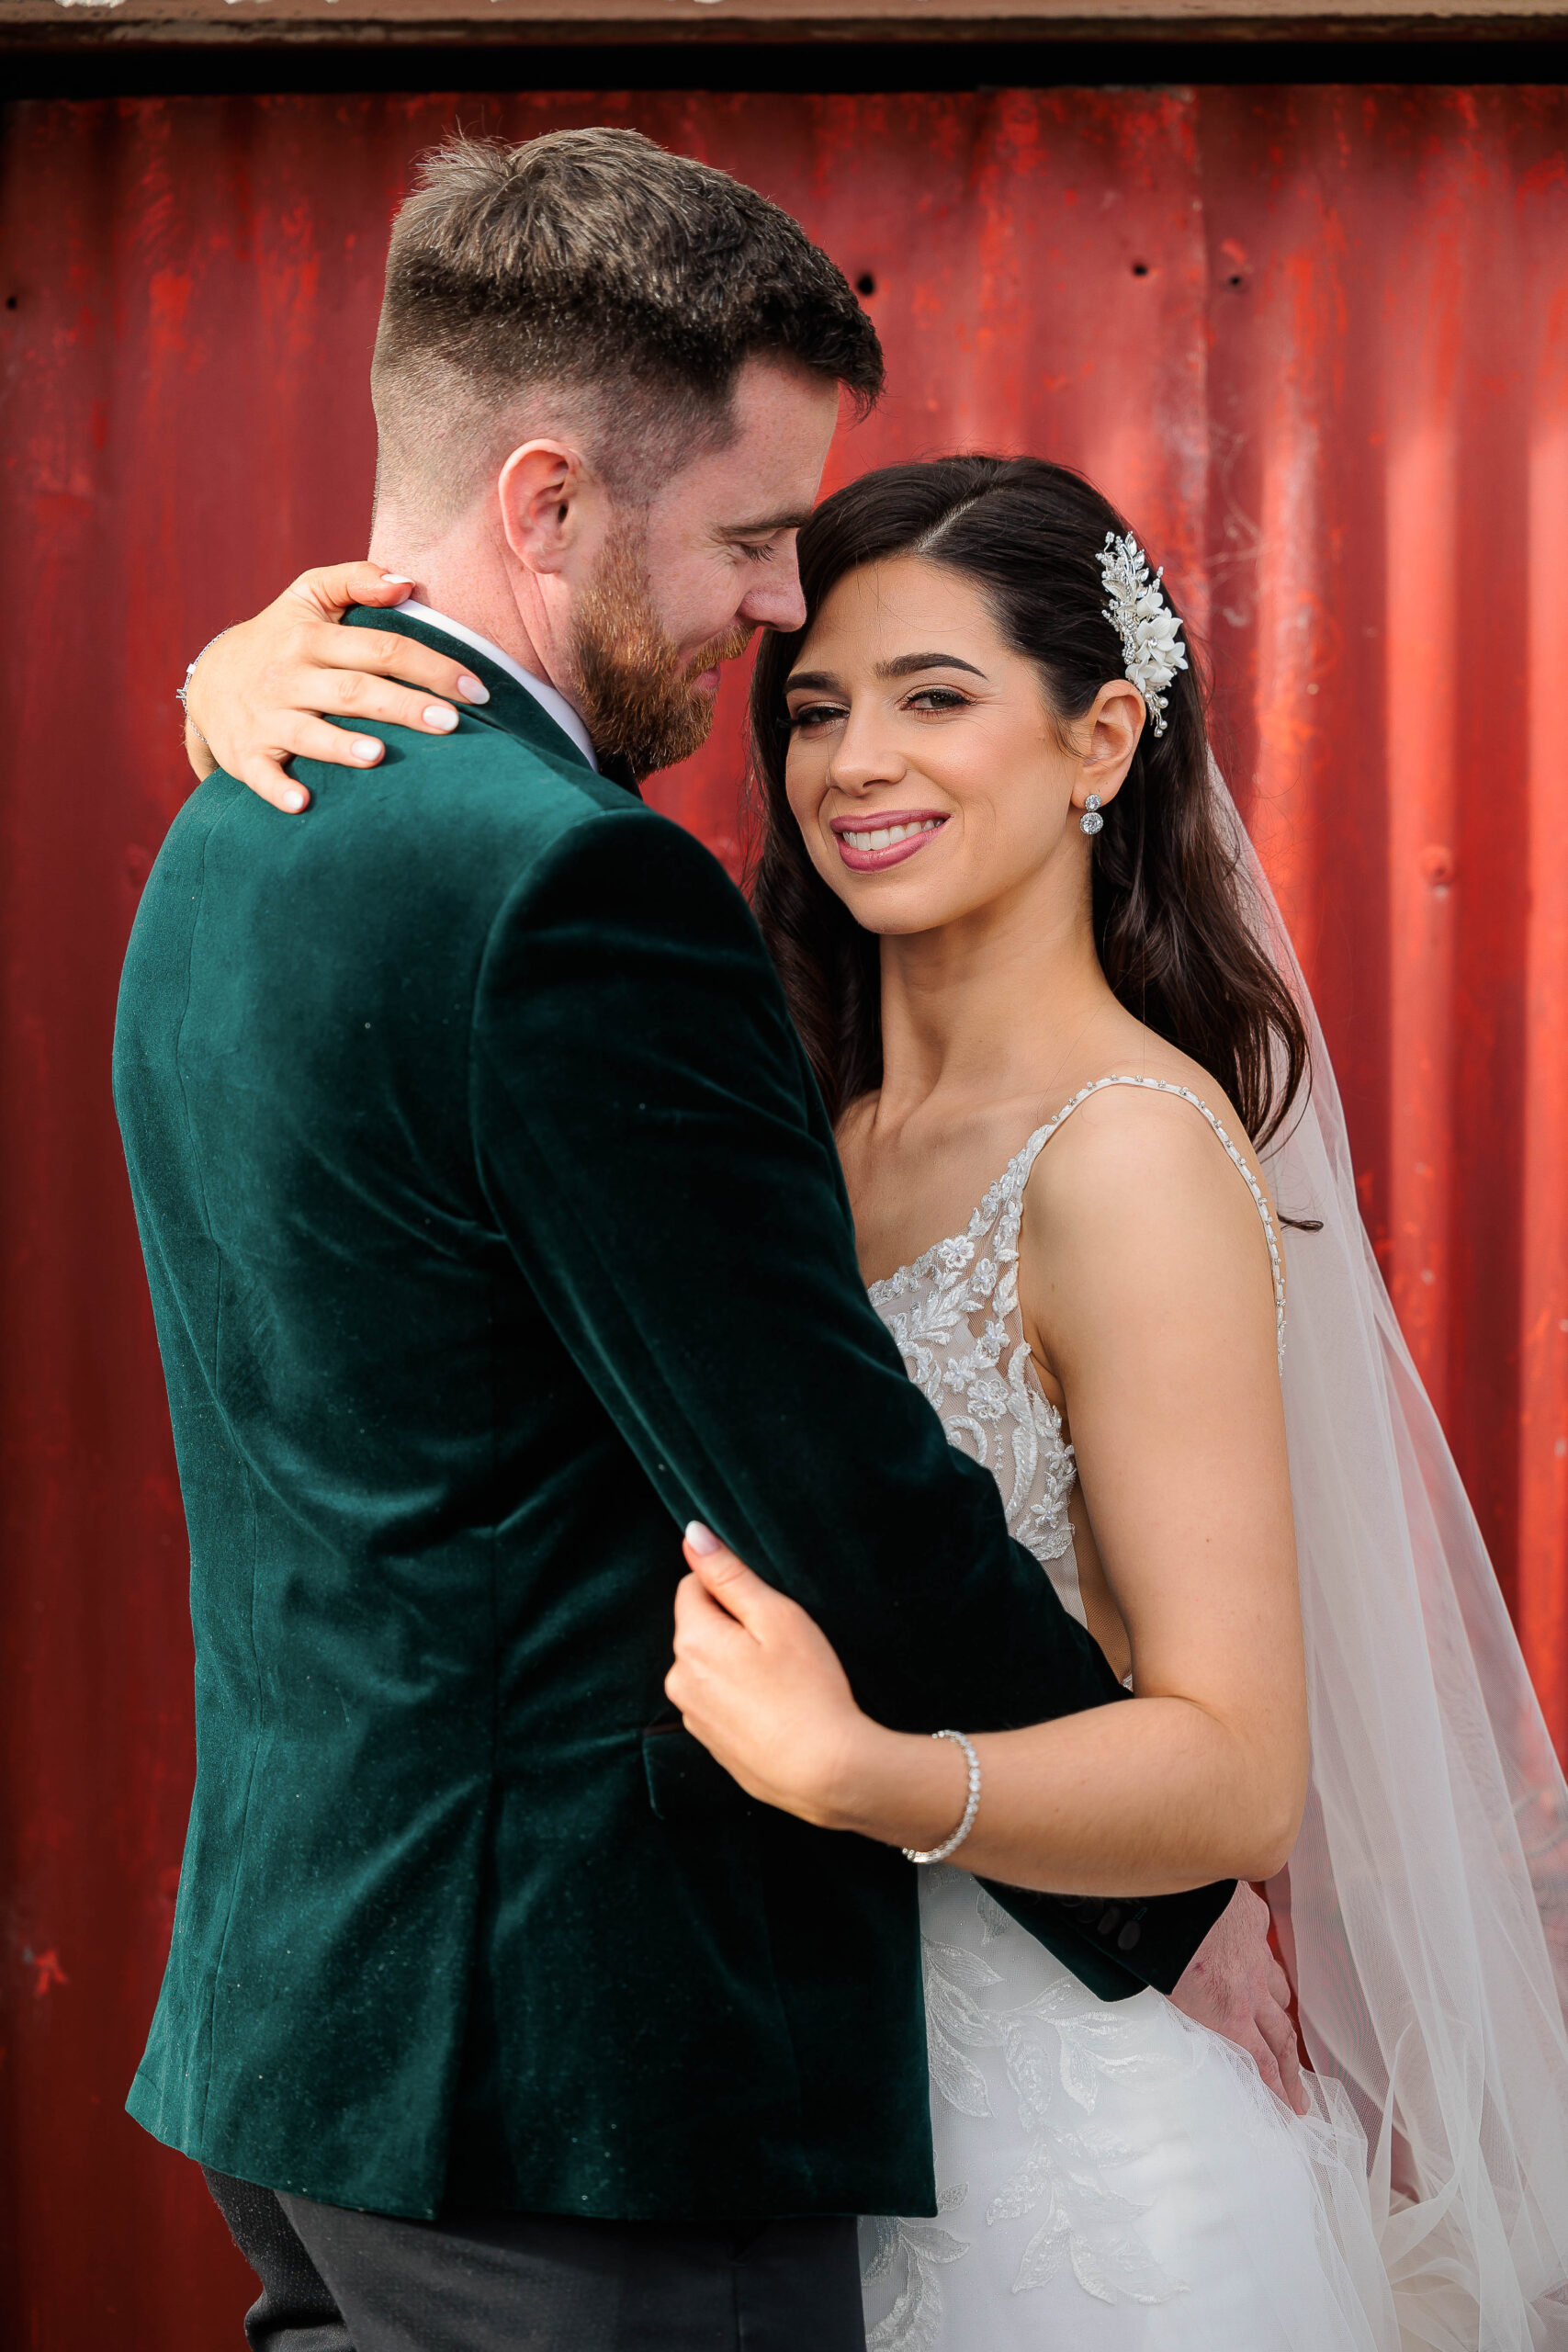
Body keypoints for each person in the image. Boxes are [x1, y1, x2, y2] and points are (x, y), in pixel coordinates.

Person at [118, 134, 1285, 2352]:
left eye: (920, 687)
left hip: (333, 2038)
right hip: (588, 2088)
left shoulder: (239, 817)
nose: (781, 641)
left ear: (1099, 743)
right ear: (544, 503)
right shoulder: (570, 887)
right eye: (758, 551)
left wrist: (1105, 1817)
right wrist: (1136, 1877)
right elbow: (825, 1478)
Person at [659, 457, 1568, 2349]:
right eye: (813, 708)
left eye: (930, 696)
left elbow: (1233, 1761)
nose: (850, 764)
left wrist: (862, 1773)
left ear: (1098, 738)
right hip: (837, 2135)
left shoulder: (1128, 1150)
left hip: (1079, 2173)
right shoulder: (816, 1143)